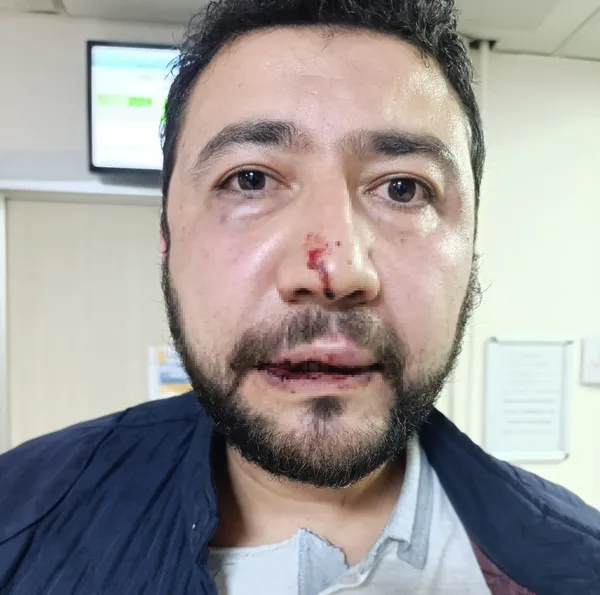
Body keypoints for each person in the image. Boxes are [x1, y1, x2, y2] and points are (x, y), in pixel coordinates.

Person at [1, 0, 599, 593]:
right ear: (167, 235)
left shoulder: (581, 565)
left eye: (403, 188)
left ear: (471, 246)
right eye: (250, 179)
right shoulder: (16, 522)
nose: (332, 271)